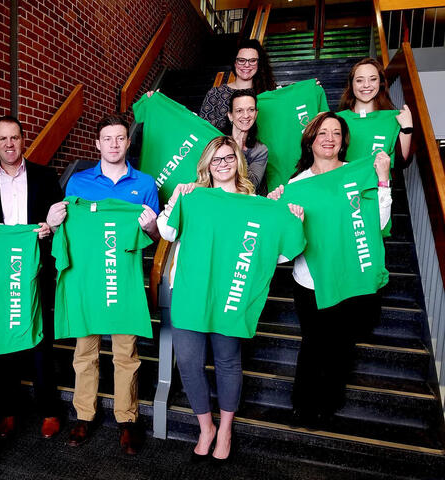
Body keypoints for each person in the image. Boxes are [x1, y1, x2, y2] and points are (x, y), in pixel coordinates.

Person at [157, 136, 304, 462]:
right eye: (216, 159)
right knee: (190, 363)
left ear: (238, 161)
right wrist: (176, 199)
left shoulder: (256, 202)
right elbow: (166, 231)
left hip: (230, 296)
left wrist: (291, 217)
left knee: (227, 362)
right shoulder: (193, 195)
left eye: (228, 158)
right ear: (206, 165)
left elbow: (275, 255)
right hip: (190, 292)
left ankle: (225, 429)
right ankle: (205, 426)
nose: (222, 164)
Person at [268, 112, 392, 427]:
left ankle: (330, 401)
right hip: (309, 280)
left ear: (343, 141)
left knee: (341, 344)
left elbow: (376, 223)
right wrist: (278, 212)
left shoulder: (356, 174)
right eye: (323, 132)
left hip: (349, 277)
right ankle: (302, 403)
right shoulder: (295, 185)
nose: (330, 138)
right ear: (310, 139)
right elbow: (283, 250)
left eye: (336, 133)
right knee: (312, 342)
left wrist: (383, 180)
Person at [47, 113, 160, 455]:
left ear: (128, 142)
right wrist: (52, 224)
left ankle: (127, 420)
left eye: (120, 138)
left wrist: (152, 226)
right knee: (85, 352)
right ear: (97, 144)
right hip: (86, 279)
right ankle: (84, 415)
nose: (113, 144)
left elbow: (155, 237)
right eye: (107, 138)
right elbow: (66, 232)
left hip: (122, 280)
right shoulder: (78, 184)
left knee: (126, 353)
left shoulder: (146, 184)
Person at [0, 115, 63, 440]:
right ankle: (8, 410)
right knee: (4, 343)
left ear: (23, 140)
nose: (9, 144)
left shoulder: (46, 177)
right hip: (2, 276)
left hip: (38, 269)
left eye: (14, 138)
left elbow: (61, 219)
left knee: (41, 342)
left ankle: (48, 409)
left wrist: (51, 228)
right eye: (2, 139)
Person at [338, 58, 413, 163]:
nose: (366, 85)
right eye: (359, 80)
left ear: (380, 83)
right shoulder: (337, 119)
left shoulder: (393, 119)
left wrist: (407, 129)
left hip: (382, 179)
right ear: (351, 84)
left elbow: (401, 162)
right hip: (348, 178)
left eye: (373, 79)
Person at [199, 38, 276, 131]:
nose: (247, 65)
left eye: (252, 60)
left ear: (259, 64)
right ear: (235, 63)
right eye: (241, 60)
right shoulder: (216, 93)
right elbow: (203, 129)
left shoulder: (266, 93)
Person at [226, 89, 268, 193]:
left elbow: (252, 186)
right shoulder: (217, 142)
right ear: (230, 116)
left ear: (256, 114)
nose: (246, 115)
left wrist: (239, 153)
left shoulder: (260, 150)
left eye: (251, 110)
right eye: (239, 110)